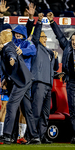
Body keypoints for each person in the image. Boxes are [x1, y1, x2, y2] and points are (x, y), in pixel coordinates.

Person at [0, 0, 36, 143]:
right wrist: (0, 15)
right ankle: (30, 136)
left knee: (16, 107)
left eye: (18, 34)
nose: (16, 36)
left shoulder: (21, 44)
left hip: (21, 79)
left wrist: (31, 18)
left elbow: (28, 43)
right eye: (14, 34)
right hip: (10, 79)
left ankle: (11, 135)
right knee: (14, 107)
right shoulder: (4, 44)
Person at [31, 12, 59, 144]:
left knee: (45, 113)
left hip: (48, 85)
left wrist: (56, 56)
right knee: (36, 111)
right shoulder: (36, 47)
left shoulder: (49, 52)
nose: (45, 38)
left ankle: (42, 136)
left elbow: (55, 68)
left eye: (45, 36)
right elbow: (35, 37)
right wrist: (40, 22)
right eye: (43, 36)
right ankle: (33, 135)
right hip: (39, 83)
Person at [47, 11, 75, 144]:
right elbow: (59, 36)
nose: (74, 42)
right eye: (73, 40)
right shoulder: (68, 46)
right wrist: (52, 22)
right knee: (73, 110)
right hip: (71, 83)